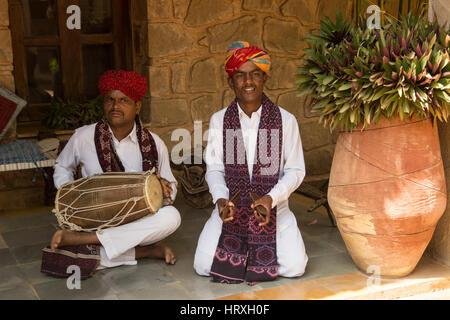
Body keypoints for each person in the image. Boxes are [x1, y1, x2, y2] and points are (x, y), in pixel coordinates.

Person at [45, 70, 181, 276]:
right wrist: (70, 194)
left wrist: (162, 191)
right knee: (61, 260)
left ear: (137, 106)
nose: (115, 106)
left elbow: (171, 183)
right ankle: (144, 251)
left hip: (139, 220)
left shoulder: (154, 143)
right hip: (95, 220)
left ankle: (85, 241)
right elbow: (63, 166)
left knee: (172, 217)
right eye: (110, 100)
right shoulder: (84, 136)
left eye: (124, 100)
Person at [193, 41, 308, 284]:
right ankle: (248, 255)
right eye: (240, 76)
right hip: (231, 211)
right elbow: (214, 169)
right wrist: (221, 199)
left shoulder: (285, 120)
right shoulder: (220, 120)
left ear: (264, 79)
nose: (248, 82)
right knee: (202, 265)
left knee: (295, 267)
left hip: (273, 209)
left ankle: (248, 256)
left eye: (255, 74)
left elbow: (295, 170)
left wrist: (271, 198)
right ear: (230, 82)